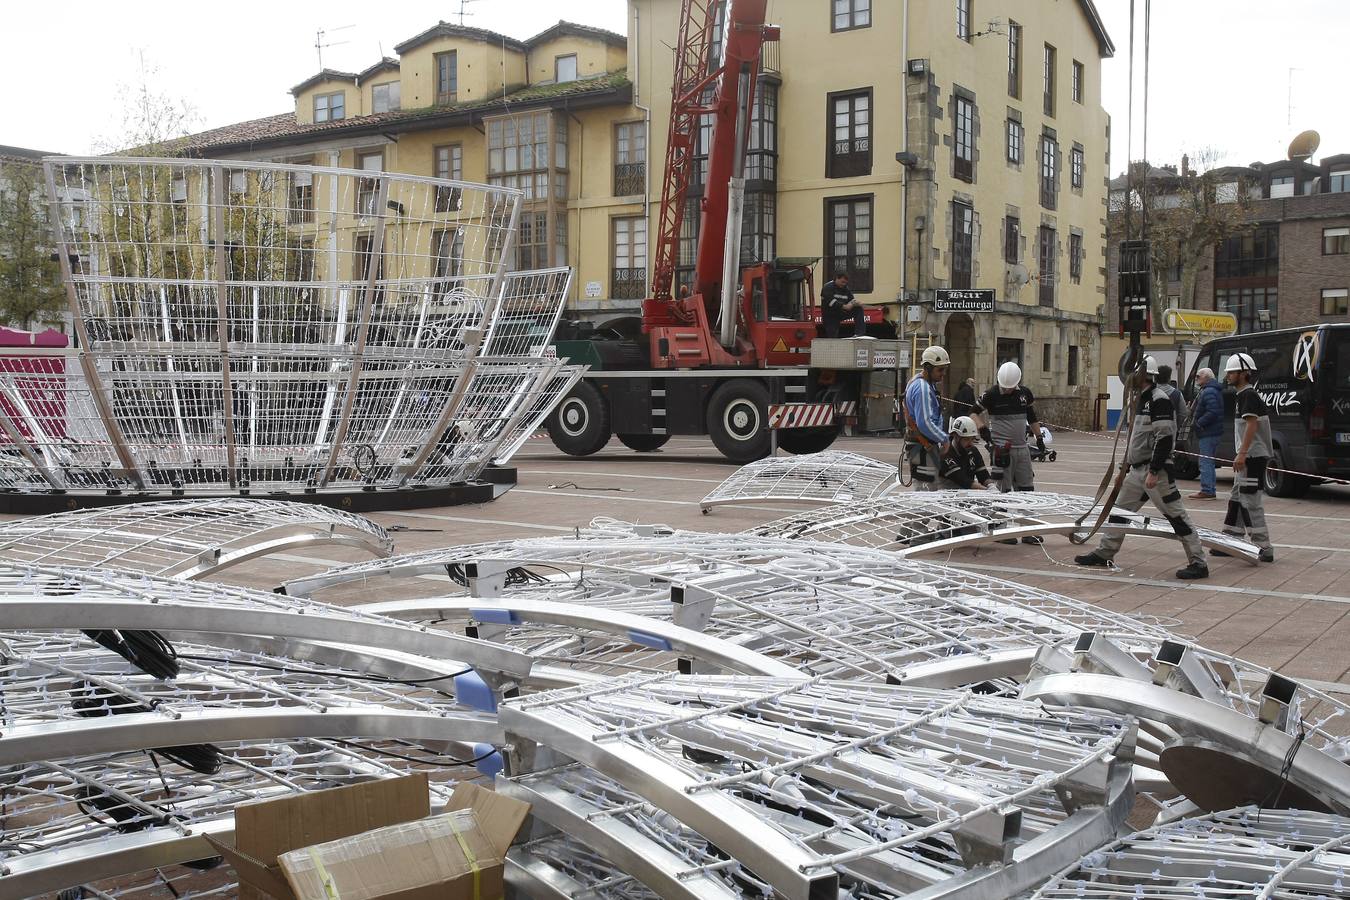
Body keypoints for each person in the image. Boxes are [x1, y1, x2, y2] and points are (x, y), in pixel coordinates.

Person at [1074, 355, 1209, 580]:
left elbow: (1165, 437)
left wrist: (1155, 471)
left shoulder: (1159, 400)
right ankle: (1105, 552)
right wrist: (1123, 468)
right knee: (1118, 512)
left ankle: (1198, 562)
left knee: (1177, 517)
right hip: (1137, 471)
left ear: (1144, 376)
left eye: (1133, 375)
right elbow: (1136, 440)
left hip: (1155, 473)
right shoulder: (1139, 401)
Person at [973, 361, 1044, 544]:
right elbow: (972, 413)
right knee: (1002, 490)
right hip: (1001, 450)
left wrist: (1039, 438)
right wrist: (982, 429)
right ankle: (1000, 531)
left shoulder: (1024, 394)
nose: (1007, 391)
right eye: (1004, 388)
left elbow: (1032, 417)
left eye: (1010, 388)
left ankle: (1029, 530)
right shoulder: (991, 394)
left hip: (1022, 449)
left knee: (1027, 489)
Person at [1214, 353, 1275, 562]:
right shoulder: (1243, 395)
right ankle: (1231, 540)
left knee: (1250, 500)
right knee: (1238, 497)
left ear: (1244, 373)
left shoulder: (1248, 396)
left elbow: (1251, 425)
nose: (1228, 375)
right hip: (1249, 456)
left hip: (1252, 458)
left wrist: (1241, 454)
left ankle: (1263, 547)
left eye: (1231, 372)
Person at [902, 345, 950, 490]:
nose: (943, 374)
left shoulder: (919, 382)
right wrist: (944, 438)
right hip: (923, 446)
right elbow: (924, 423)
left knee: (928, 487)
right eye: (939, 370)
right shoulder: (922, 387)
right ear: (928, 368)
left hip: (922, 446)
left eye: (944, 369)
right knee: (926, 490)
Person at [1189, 367, 1222, 500]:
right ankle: (1210, 489)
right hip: (1213, 431)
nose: (1196, 379)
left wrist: (1199, 423)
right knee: (1209, 461)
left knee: (1205, 461)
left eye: (1198, 376)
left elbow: (1212, 411)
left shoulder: (1208, 392)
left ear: (1207, 378)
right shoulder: (1212, 390)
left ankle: (1207, 490)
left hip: (1208, 431)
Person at [938, 416, 995, 489]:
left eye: (972, 439)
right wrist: (987, 491)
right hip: (946, 496)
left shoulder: (973, 450)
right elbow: (963, 481)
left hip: (966, 494)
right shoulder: (945, 453)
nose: (970, 443)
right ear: (956, 436)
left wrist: (991, 486)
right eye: (967, 439)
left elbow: (983, 475)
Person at [820, 271, 866, 338]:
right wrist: (845, 306)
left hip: (841, 312)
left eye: (845, 283)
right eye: (842, 282)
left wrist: (855, 303)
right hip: (830, 316)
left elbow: (851, 299)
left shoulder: (846, 289)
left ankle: (859, 334)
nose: (844, 284)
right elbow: (831, 302)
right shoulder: (827, 287)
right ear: (836, 279)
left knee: (858, 309)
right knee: (832, 336)